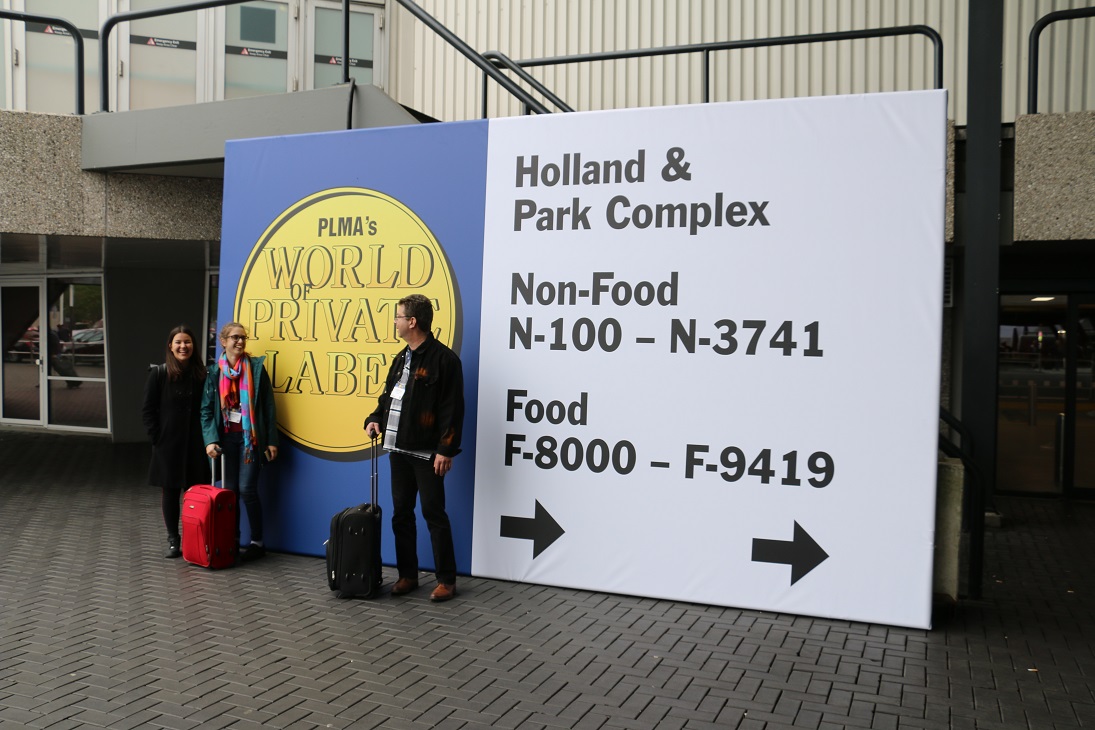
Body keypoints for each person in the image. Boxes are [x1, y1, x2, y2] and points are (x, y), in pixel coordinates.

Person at [364, 294, 464, 602]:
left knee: (433, 514)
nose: (394, 322)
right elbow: (388, 397)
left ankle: (446, 580)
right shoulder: (401, 358)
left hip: (427, 453)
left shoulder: (445, 360)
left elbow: (452, 409)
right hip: (397, 449)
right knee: (401, 515)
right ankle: (407, 575)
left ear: (412, 321)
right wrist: (375, 417)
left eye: (398, 317)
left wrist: (446, 449)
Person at [200, 322, 279, 561]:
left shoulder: (256, 368)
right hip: (225, 440)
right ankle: (231, 540)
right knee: (230, 492)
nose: (240, 341)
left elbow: (268, 407)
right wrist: (210, 440)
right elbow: (206, 410)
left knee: (247, 490)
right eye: (235, 337)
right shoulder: (214, 372)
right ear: (223, 341)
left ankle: (257, 542)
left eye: (243, 337)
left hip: (249, 439)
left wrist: (271, 440)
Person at [142, 325, 209, 558]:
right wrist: (157, 438)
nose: (183, 346)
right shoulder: (159, 374)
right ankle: (173, 539)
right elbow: (148, 410)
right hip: (168, 445)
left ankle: (195, 539)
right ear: (170, 346)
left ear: (194, 346)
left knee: (196, 494)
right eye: (178, 342)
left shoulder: (203, 375)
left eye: (187, 342)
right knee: (170, 493)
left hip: (196, 445)